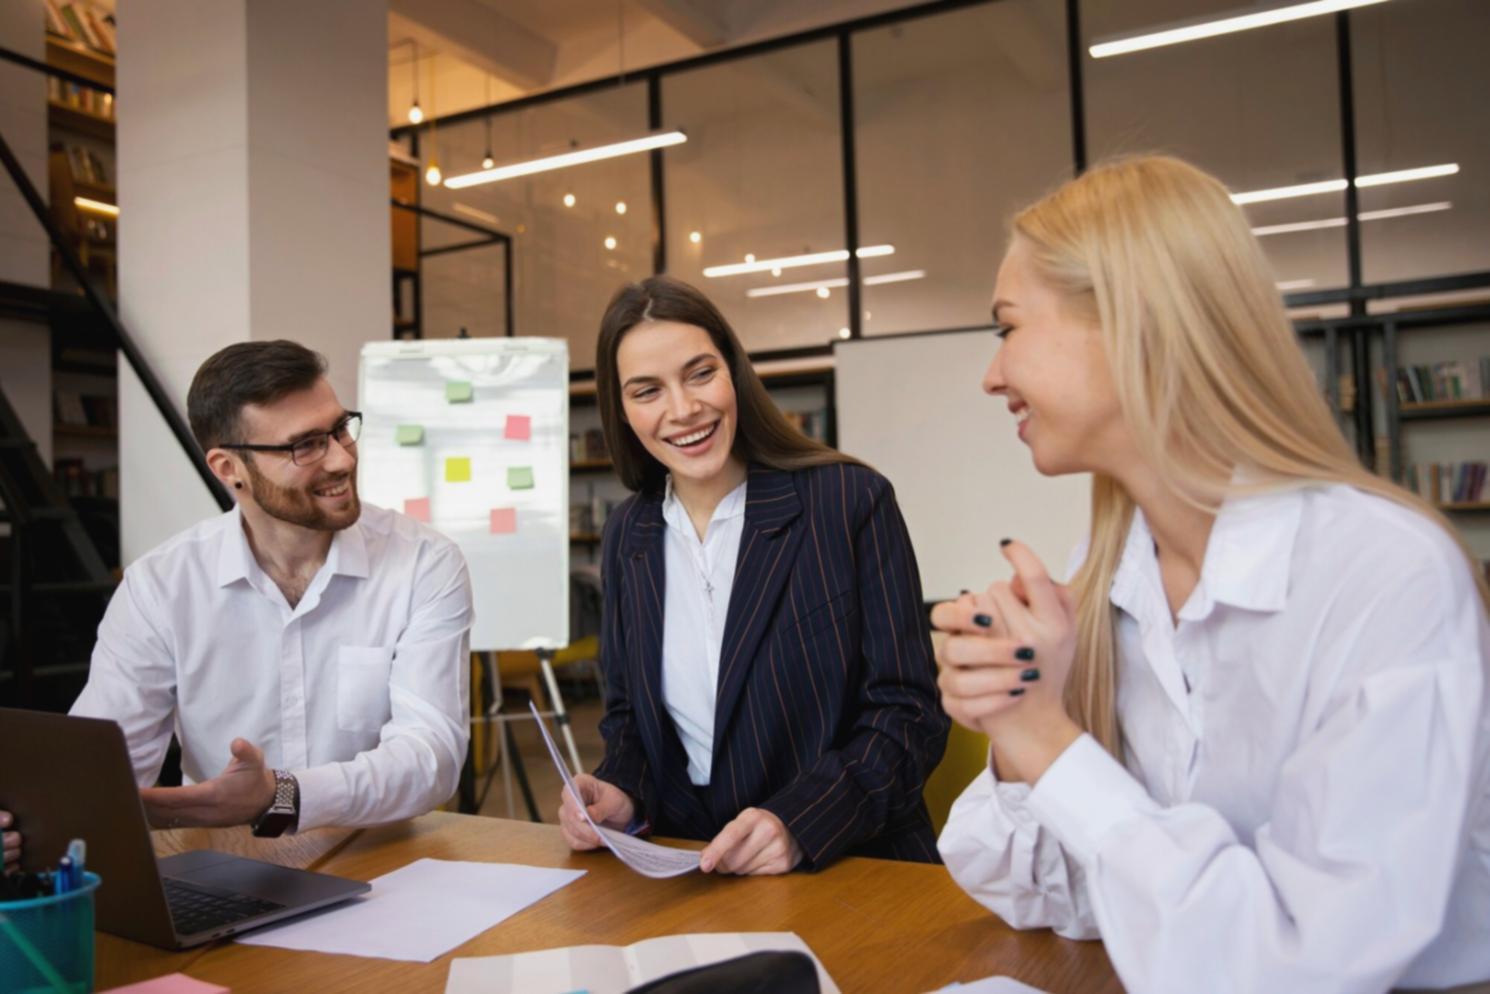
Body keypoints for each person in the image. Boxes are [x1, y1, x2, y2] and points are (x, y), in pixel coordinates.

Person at [934, 155, 1490, 993]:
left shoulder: (1384, 573)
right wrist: (1015, 724)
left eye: (1008, 326)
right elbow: (1052, 899)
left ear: (1132, 320)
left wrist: (1050, 740)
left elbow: (1306, 966)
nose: (992, 374)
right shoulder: (1109, 569)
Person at [3, 340, 472, 868]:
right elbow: (99, 766)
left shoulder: (424, 563)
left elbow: (431, 757)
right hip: (220, 867)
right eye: (306, 445)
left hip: (380, 865)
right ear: (229, 468)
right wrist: (29, 822)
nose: (342, 458)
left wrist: (280, 794)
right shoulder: (161, 586)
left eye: (341, 429)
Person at [557, 275, 948, 875]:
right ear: (622, 409)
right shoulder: (627, 535)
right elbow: (630, 719)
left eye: (700, 373)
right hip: (693, 872)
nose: (683, 410)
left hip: (851, 866)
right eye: (646, 391)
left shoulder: (848, 503)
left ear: (733, 372)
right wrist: (623, 794)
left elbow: (908, 715)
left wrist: (801, 820)